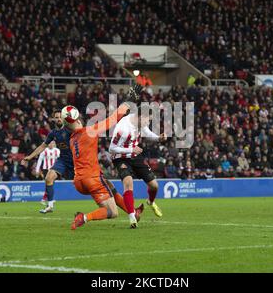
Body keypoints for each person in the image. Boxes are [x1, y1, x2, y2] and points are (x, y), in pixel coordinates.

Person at [64, 84, 144, 230]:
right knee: (111, 212)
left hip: (78, 181)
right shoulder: (89, 131)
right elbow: (114, 118)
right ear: (77, 120)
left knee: (110, 186)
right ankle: (84, 217)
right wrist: (129, 101)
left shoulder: (72, 139)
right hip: (92, 179)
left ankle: (133, 212)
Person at [109, 111, 166, 228]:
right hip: (121, 158)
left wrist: (158, 138)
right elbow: (112, 148)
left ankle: (150, 202)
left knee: (154, 185)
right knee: (128, 183)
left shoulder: (140, 123)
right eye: (147, 120)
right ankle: (132, 218)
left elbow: (146, 132)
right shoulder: (122, 128)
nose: (148, 122)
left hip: (135, 156)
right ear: (140, 117)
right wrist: (131, 150)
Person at [21, 110, 74, 214]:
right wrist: (30, 156)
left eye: (60, 117)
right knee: (48, 178)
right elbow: (43, 146)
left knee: (87, 184)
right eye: (56, 117)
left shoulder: (69, 130)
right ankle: (50, 206)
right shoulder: (53, 133)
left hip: (75, 160)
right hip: (63, 159)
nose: (58, 119)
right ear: (54, 119)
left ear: (63, 118)